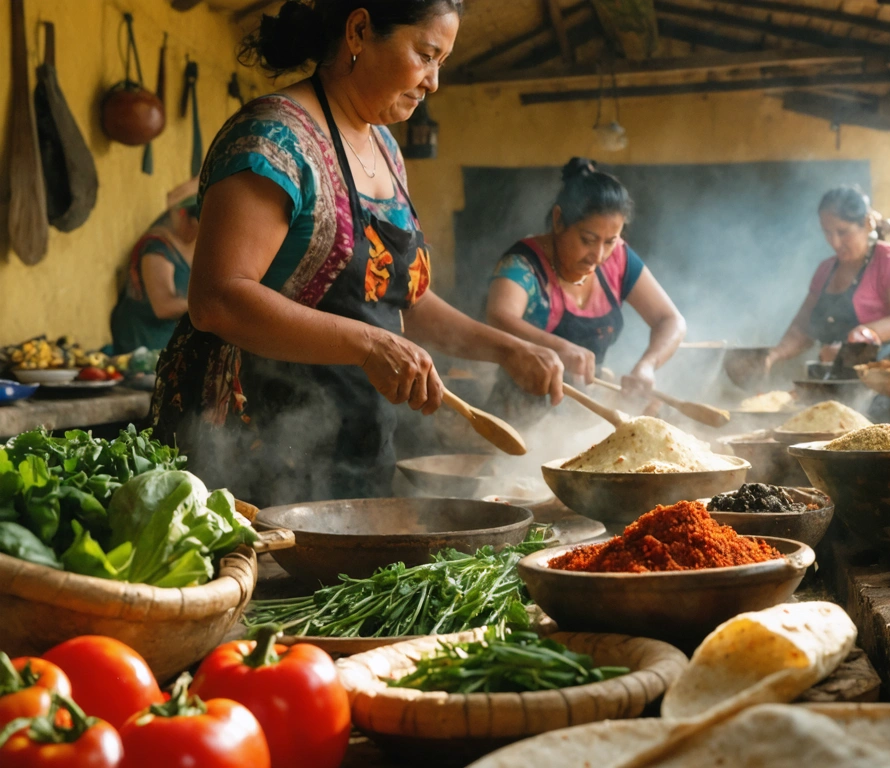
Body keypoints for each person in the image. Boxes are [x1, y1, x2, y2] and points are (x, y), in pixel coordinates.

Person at [152, 0, 564, 506]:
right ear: (359, 31)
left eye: (442, 62)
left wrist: (506, 348)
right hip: (252, 443)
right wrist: (372, 345)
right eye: (427, 54)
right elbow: (217, 299)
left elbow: (402, 300)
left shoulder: (386, 150)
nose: (434, 81)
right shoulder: (273, 137)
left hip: (353, 439)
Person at [484, 158, 685, 423]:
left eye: (610, 241)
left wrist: (647, 366)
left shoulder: (619, 259)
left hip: (583, 417)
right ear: (558, 221)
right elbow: (498, 317)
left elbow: (670, 320)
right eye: (587, 240)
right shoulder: (524, 264)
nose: (599, 255)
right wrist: (559, 347)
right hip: (518, 419)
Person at [765, 186, 890, 369]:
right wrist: (771, 356)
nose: (835, 242)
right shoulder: (825, 270)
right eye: (827, 232)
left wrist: (858, 337)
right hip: (833, 377)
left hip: (883, 378)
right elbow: (802, 328)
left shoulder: (889, 261)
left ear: (866, 224)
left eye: (842, 232)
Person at [109, 179, 201, 354]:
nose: (198, 234)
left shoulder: (188, 245)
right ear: (182, 215)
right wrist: (208, 306)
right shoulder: (156, 250)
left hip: (170, 346)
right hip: (143, 347)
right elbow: (164, 307)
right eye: (196, 226)